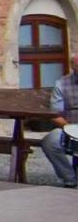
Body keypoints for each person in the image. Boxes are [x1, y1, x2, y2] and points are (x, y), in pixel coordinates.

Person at [39, 49, 78, 188]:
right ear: (73, 67)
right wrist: (71, 129)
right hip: (70, 127)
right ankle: (69, 178)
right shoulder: (62, 84)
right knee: (50, 141)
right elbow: (55, 115)